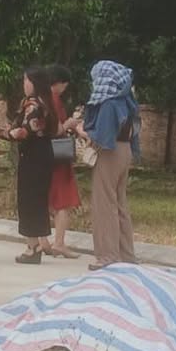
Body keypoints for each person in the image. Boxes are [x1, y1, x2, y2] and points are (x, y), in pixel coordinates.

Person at [70, 60, 140, 271]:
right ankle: (126, 254)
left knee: (104, 204)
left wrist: (80, 130)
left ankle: (107, 256)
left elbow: (101, 136)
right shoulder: (126, 100)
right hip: (125, 150)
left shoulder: (109, 103)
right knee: (119, 203)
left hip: (110, 153)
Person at [2, 66, 58, 264]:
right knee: (35, 199)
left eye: (26, 80)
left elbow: (23, 132)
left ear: (35, 83)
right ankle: (35, 244)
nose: (24, 84)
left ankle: (33, 247)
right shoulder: (44, 102)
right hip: (41, 155)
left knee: (30, 200)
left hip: (34, 157)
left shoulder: (34, 106)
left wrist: (1, 134)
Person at [47, 64, 80, 258]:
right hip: (58, 157)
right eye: (64, 84)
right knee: (63, 200)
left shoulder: (42, 98)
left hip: (46, 157)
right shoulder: (54, 100)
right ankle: (59, 242)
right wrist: (69, 124)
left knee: (48, 199)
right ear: (58, 82)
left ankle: (44, 241)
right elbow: (55, 128)